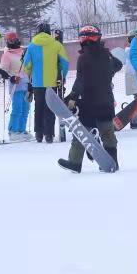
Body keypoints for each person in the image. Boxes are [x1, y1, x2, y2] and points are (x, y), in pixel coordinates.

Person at [58, 25, 123, 173]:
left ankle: (75, 162)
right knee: (108, 133)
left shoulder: (83, 58)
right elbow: (118, 65)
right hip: (106, 101)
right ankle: (113, 162)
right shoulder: (107, 55)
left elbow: (81, 80)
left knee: (81, 133)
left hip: (89, 102)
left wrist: (72, 97)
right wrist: (107, 73)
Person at [24, 22, 69, 144]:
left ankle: (39, 133)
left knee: (38, 108)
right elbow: (65, 62)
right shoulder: (56, 44)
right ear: (49, 31)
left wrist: (30, 73)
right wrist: (62, 75)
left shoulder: (32, 46)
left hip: (37, 83)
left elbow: (26, 65)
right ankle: (49, 134)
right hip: (52, 82)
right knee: (50, 108)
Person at [0, 32, 30, 138]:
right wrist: (11, 77)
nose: (11, 42)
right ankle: (13, 131)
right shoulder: (7, 55)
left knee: (26, 108)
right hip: (16, 86)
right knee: (17, 108)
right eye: (9, 41)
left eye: (13, 40)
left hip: (26, 83)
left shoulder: (23, 52)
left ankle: (21, 130)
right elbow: (3, 71)